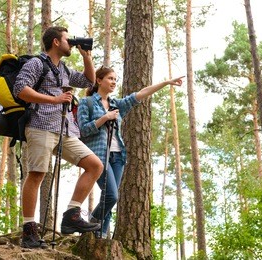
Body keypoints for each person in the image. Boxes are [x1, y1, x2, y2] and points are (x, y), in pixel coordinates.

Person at [13, 26, 103, 248]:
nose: (70, 42)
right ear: (55, 42)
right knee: (37, 175)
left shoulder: (63, 68)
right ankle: (29, 231)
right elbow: (19, 89)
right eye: (67, 39)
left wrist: (87, 57)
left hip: (65, 130)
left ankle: (71, 214)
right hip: (40, 125)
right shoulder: (36, 63)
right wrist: (54, 100)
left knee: (94, 165)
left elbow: (89, 82)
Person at [77, 65, 184, 238]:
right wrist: (104, 118)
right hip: (98, 156)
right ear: (99, 80)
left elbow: (141, 93)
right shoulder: (86, 103)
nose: (114, 82)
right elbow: (83, 130)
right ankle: (90, 225)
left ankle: (101, 237)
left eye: (115, 79)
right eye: (110, 78)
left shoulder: (116, 104)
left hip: (118, 156)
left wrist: (166, 83)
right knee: (112, 196)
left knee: (110, 198)